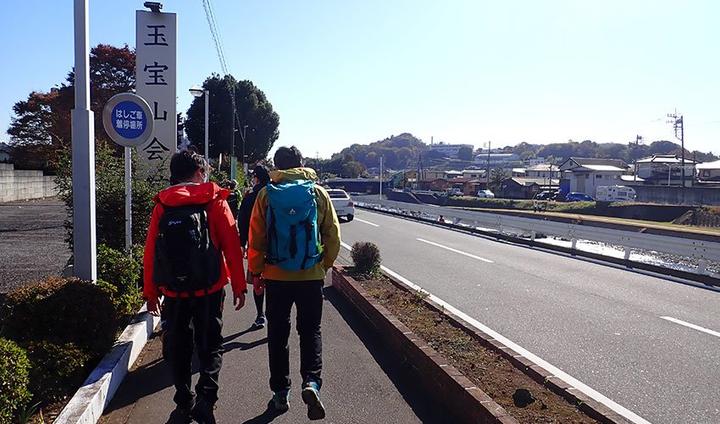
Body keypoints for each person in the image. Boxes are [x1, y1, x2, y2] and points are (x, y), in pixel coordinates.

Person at [143, 150, 247, 424]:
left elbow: (151, 251)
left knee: (179, 347)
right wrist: (239, 285)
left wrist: (150, 291)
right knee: (211, 345)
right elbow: (232, 248)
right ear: (199, 172)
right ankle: (206, 399)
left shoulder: (162, 205)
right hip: (209, 289)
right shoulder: (214, 201)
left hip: (173, 292)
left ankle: (182, 402)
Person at [248, 146, 340, 420]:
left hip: (276, 277)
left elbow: (256, 238)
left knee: (278, 334)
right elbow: (332, 234)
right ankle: (311, 382)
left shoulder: (266, 194)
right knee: (311, 331)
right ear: (301, 164)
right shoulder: (318, 192)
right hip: (310, 274)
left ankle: (280, 393)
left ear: (276, 166)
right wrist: (323, 265)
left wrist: (256, 272)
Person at [237, 165, 271, 328]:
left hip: (255, 244)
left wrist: (242, 243)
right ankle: (273, 314)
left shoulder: (251, 196)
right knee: (273, 280)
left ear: (256, 178)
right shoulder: (275, 192)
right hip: (275, 244)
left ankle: (260, 315)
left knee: (257, 280)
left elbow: (243, 221)